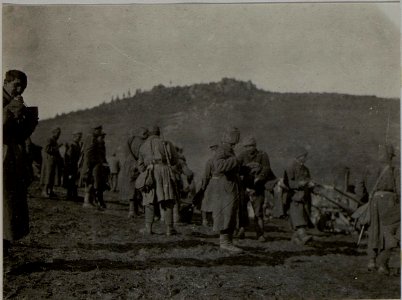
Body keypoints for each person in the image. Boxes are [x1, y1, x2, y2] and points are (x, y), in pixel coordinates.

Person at [3, 69, 38, 255]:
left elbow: (19, 134)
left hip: (11, 157)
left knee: (10, 202)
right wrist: (13, 109)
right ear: (6, 82)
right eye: (16, 84)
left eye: (22, 86)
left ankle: (5, 243)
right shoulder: (5, 102)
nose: (19, 89)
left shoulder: (14, 103)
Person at [355, 144, 400, 275]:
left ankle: (371, 261)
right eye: (391, 156)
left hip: (373, 201)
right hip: (389, 202)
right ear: (390, 156)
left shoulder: (368, 169)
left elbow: (359, 186)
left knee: (374, 230)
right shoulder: (394, 170)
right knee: (389, 232)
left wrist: (362, 201)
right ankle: (383, 265)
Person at [205, 126, 243, 253]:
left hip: (229, 185)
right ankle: (225, 242)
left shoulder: (228, 150)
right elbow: (219, 166)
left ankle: (228, 241)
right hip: (225, 186)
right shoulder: (223, 150)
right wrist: (236, 160)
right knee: (226, 212)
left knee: (230, 213)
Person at [137, 126, 179, 236]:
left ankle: (148, 228)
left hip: (149, 172)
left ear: (149, 133)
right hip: (164, 171)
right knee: (167, 199)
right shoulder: (166, 143)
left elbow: (140, 166)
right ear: (159, 133)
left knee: (149, 200)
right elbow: (175, 160)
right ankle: (169, 229)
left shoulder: (143, 145)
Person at [238, 137, 273, 242]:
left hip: (258, 187)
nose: (249, 148)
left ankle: (260, 233)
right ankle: (241, 229)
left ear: (255, 146)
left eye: (251, 146)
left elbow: (267, 169)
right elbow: (236, 168)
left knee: (258, 212)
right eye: (246, 146)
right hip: (244, 187)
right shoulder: (242, 156)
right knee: (242, 209)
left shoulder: (262, 155)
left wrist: (259, 178)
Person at [283, 147, 314, 245]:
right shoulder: (290, 167)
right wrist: (300, 184)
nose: (305, 158)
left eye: (305, 156)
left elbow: (308, 180)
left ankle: (296, 239)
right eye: (303, 156)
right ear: (298, 156)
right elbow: (288, 183)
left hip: (305, 197)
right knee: (298, 217)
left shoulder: (305, 169)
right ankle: (303, 235)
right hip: (294, 197)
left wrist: (311, 185)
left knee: (303, 215)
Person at [119, 127, 149, 218]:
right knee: (135, 189)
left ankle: (134, 211)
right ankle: (132, 211)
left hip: (129, 166)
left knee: (132, 189)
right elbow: (141, 156)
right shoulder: (141, 143)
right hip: (135, 167)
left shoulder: (132, 140)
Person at [80, 126, 109, 209]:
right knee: (89, 183)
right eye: (99, 130)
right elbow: (89, 154)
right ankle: (87, 202)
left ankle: (90, 201)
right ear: (95, 130)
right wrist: (89, 167)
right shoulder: (91, 138)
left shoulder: (92, 138)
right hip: (90, 165)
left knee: (91, 183)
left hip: (92, 165)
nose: (101, 132)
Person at [199, 142, 219, 227]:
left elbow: (206, 175)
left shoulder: (210, 161)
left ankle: (205, 220)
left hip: (212, 183)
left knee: (205, 201)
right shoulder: (224, 161)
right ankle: (214, 221)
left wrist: (203, 186)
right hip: (222, 183)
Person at [40, 127, 62, 198]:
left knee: (52, 176)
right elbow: (46, 149)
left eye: (59, 134)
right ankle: (45, 191)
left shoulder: (54, 140)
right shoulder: (49, 139)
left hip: (53, 161)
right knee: (48, 176)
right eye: (58, 133)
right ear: (54, 133)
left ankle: (50, 191)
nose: (59, 135)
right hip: (49, 161)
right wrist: (57, 147)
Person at [64, 132, 82, 199]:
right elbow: (69, 156)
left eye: (80, 137)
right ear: (74, 137)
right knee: (71, 179)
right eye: (78, 137)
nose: (80, 139)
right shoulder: (72, 145)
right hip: (71, 165)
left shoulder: (77, 145)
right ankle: (69, 195)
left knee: (74, 180)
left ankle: (74, 194)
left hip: (75, 165)